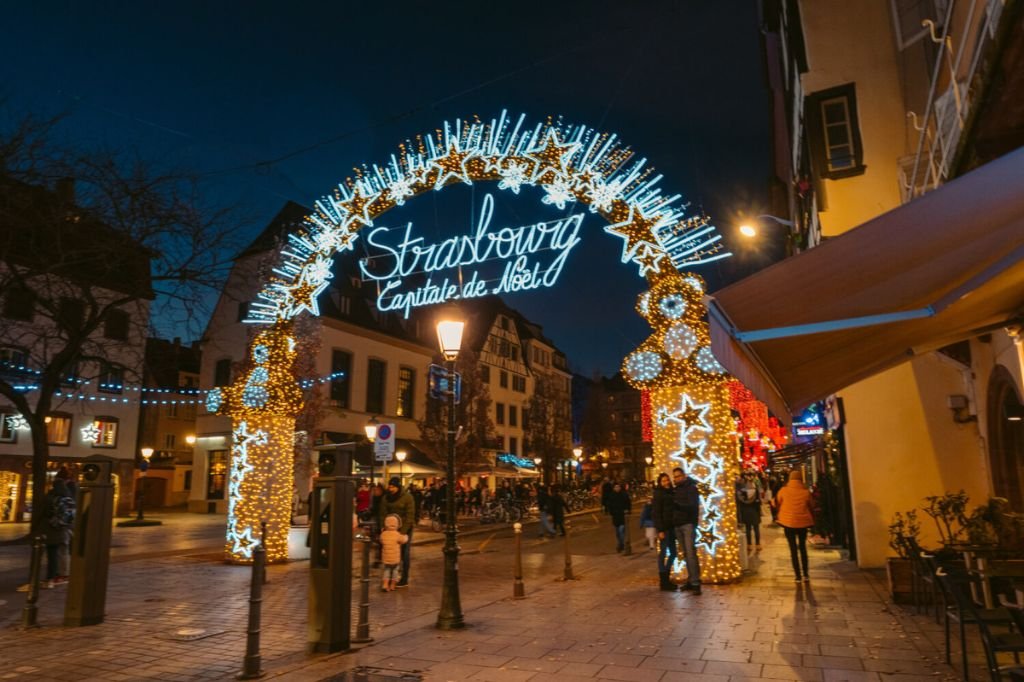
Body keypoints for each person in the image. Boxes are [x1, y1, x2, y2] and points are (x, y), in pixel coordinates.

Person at [773, 469, 815, 582]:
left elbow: (776, 502)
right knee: (802, 547)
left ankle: (797, 576)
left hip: (788, 523)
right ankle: (806, 574)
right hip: (803, 523)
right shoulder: (805, 491)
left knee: (793, 549)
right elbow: (812, 504)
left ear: (790, 479)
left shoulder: (783, 490)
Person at [378, 477, 415, 587]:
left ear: (398, 487)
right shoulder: (386, 498)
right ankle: (390, 576)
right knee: (389, 553)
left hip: (404, 529)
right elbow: (382, 514)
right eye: (389, 487)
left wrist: (403, 532)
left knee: (405, 553)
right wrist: (383, 527)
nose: (391, 489)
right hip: (390, 530)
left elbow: (410, 516)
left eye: (393, 487)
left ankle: (404, 577)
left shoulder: (408, 497)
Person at [671, 467, 701, 594]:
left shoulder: (691, 488)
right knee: (685, 554)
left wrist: (677, 505)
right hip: (677, 525)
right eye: (675, 477)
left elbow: (693, 506)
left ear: (684, 476)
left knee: (690, 553)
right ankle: (691, 579)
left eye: (678, 476)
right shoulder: (675, 490)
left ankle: (696, 583)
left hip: (687, 524)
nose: (676, 478)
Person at [43, 478, 75, 587]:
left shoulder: (53, 497)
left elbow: (46, 512)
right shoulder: (69, 497)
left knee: (53, 552)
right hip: (66, 528)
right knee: (64, 552)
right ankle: (65, 574)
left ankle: (52, 577)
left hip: (53, 528)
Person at [651, 473, 678, 591]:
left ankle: (666, 577)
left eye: (667, 480)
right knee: (662, 554)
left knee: (673, 553)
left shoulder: (672, 492)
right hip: (664, 528)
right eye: (663, 481)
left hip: (672, 527)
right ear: (660, 483)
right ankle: (663, 581)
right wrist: (660, 530)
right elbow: (656, 513)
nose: (666, 483)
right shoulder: (658, 494)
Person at [378, 513, 408, 591]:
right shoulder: (397, 535)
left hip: (386, 559)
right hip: (395, 559)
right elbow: (403, 540)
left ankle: (385, 584)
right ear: (397, 525)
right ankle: (392, 585)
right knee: (395, 571)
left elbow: (381, 540)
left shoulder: (383, 534)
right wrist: (406, 536)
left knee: (386, 570)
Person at [736, 471, 763, 552]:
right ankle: (758, 544)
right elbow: (759, 502)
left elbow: (740, 503)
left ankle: (749, 545)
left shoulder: (742, 492)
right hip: (754, 511)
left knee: (748, 529)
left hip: (746, 512)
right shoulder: (756, 490)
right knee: (756, 528)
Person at [606, 482, 631, 552]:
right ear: (614, 488)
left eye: (618, 487)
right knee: (617, 532)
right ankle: (620, 543)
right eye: (615, 487)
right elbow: (610, 505)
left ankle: (622, 544)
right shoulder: (612, 496)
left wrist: (627, 510)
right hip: (616, 516)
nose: (617, 488)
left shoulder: (624, 495)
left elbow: (628, 503)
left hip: (623, 516)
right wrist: (611, 512)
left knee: (621, 530)